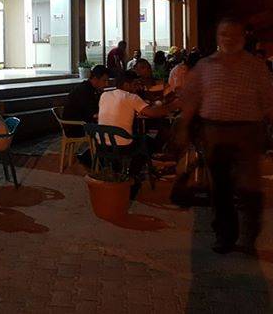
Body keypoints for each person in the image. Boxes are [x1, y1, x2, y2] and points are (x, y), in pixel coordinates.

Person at [180, 18, 273, 255]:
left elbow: (268, 101)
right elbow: (191, 99)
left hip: (247, 134)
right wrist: (183, 127)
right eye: (224, 34)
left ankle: (249, 237)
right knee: (220, 188)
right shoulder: (205, 66)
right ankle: (224, 235)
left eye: (234, 34)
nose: (229, 39)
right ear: (217, 37)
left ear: (243, 37)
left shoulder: (256, 67)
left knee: (249, 188)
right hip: (215, 133)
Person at [98, 70, 175, 145]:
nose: (137, 87)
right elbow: (153, 113)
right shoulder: (131, 97)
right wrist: (174, 105)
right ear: (126, 85)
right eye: (135, 84)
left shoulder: (104, 95)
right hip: (123, 145)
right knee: (159, 137)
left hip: (102, 144)